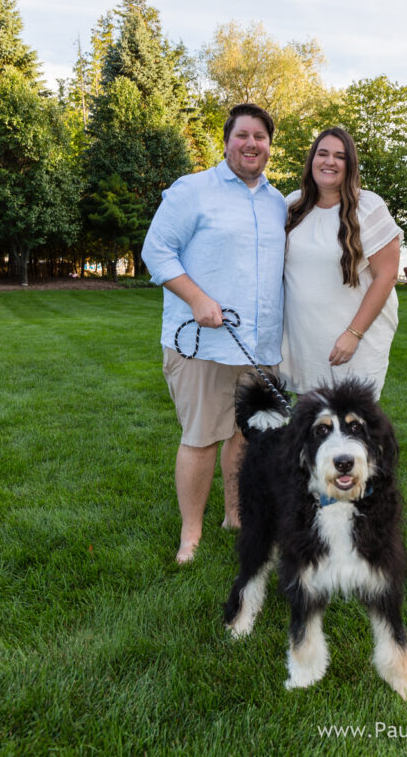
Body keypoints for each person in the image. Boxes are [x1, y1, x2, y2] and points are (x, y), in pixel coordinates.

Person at [141, 104, 286, 564]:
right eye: (242, 134)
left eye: (260, 136)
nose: (251, 144)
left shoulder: (277, 202)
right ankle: (191, 535)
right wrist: (197, 298)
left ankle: (236, 516)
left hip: (258, 346)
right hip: (203, 343)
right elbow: (156, 251)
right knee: (201, 437)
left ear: (268, 145)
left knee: (245, 437)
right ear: (226, 142)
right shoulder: (192, 190)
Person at [280, 127, 402, 400]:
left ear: (350, 165)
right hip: (305, 339)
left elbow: (387, 276)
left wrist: (353, 334)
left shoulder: (369, 207)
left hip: (355, 341)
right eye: (322, 154)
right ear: (312, 160)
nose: (329, 162)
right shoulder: (292, 206)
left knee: (353, 427)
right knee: (310, 426)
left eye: (340, 156)